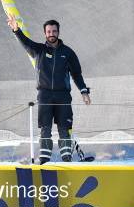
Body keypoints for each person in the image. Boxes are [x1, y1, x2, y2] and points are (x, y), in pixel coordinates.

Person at [7, 14, 91, 164]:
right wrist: (16, 30)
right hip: (44, 95)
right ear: (45, 33)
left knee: (65, 129)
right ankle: (44, 162)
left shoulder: (68, 52)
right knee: (45, 129)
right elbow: (25, 42)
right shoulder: (38, 50)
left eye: (54, 31)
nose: (51, 34)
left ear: (58, 32)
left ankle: (67, 160)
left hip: (63, 96)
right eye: (49, 32)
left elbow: (77, 74)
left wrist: (84, 91)